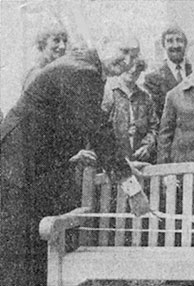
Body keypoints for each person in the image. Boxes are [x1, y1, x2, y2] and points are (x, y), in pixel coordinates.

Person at [0, 37, 142, 286]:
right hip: (21, 164)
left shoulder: (86, 67)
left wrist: (122, 164)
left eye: (134, 55)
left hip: (37, 164)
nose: (128, 61)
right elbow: (98, 130)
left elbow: (72, 124)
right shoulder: (83, 71)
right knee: (20, 247)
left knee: (32, 244)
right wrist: (132, 188)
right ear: (105, 43)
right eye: (124, 51)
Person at [102, 59, 159, 163]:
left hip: (140, 160)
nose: (133, 70)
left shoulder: (145, 97)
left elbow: (154, 127)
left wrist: (147, 147)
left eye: (138, 67)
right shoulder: (109, 93)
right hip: (115, 160)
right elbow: (101, 128)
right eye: (129, 66)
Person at [144, 24, 192, 120]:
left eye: (179, 40)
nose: (175, 45)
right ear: (163, 45)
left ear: (185, 44)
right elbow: (157, 115)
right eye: (170, 41)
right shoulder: (152, 79)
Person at [23, 24, 68, 89]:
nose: (63, 46)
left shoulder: (62, 72)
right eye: (56, 41)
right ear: (43, 44)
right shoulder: (37, 74)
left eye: (65, 41)